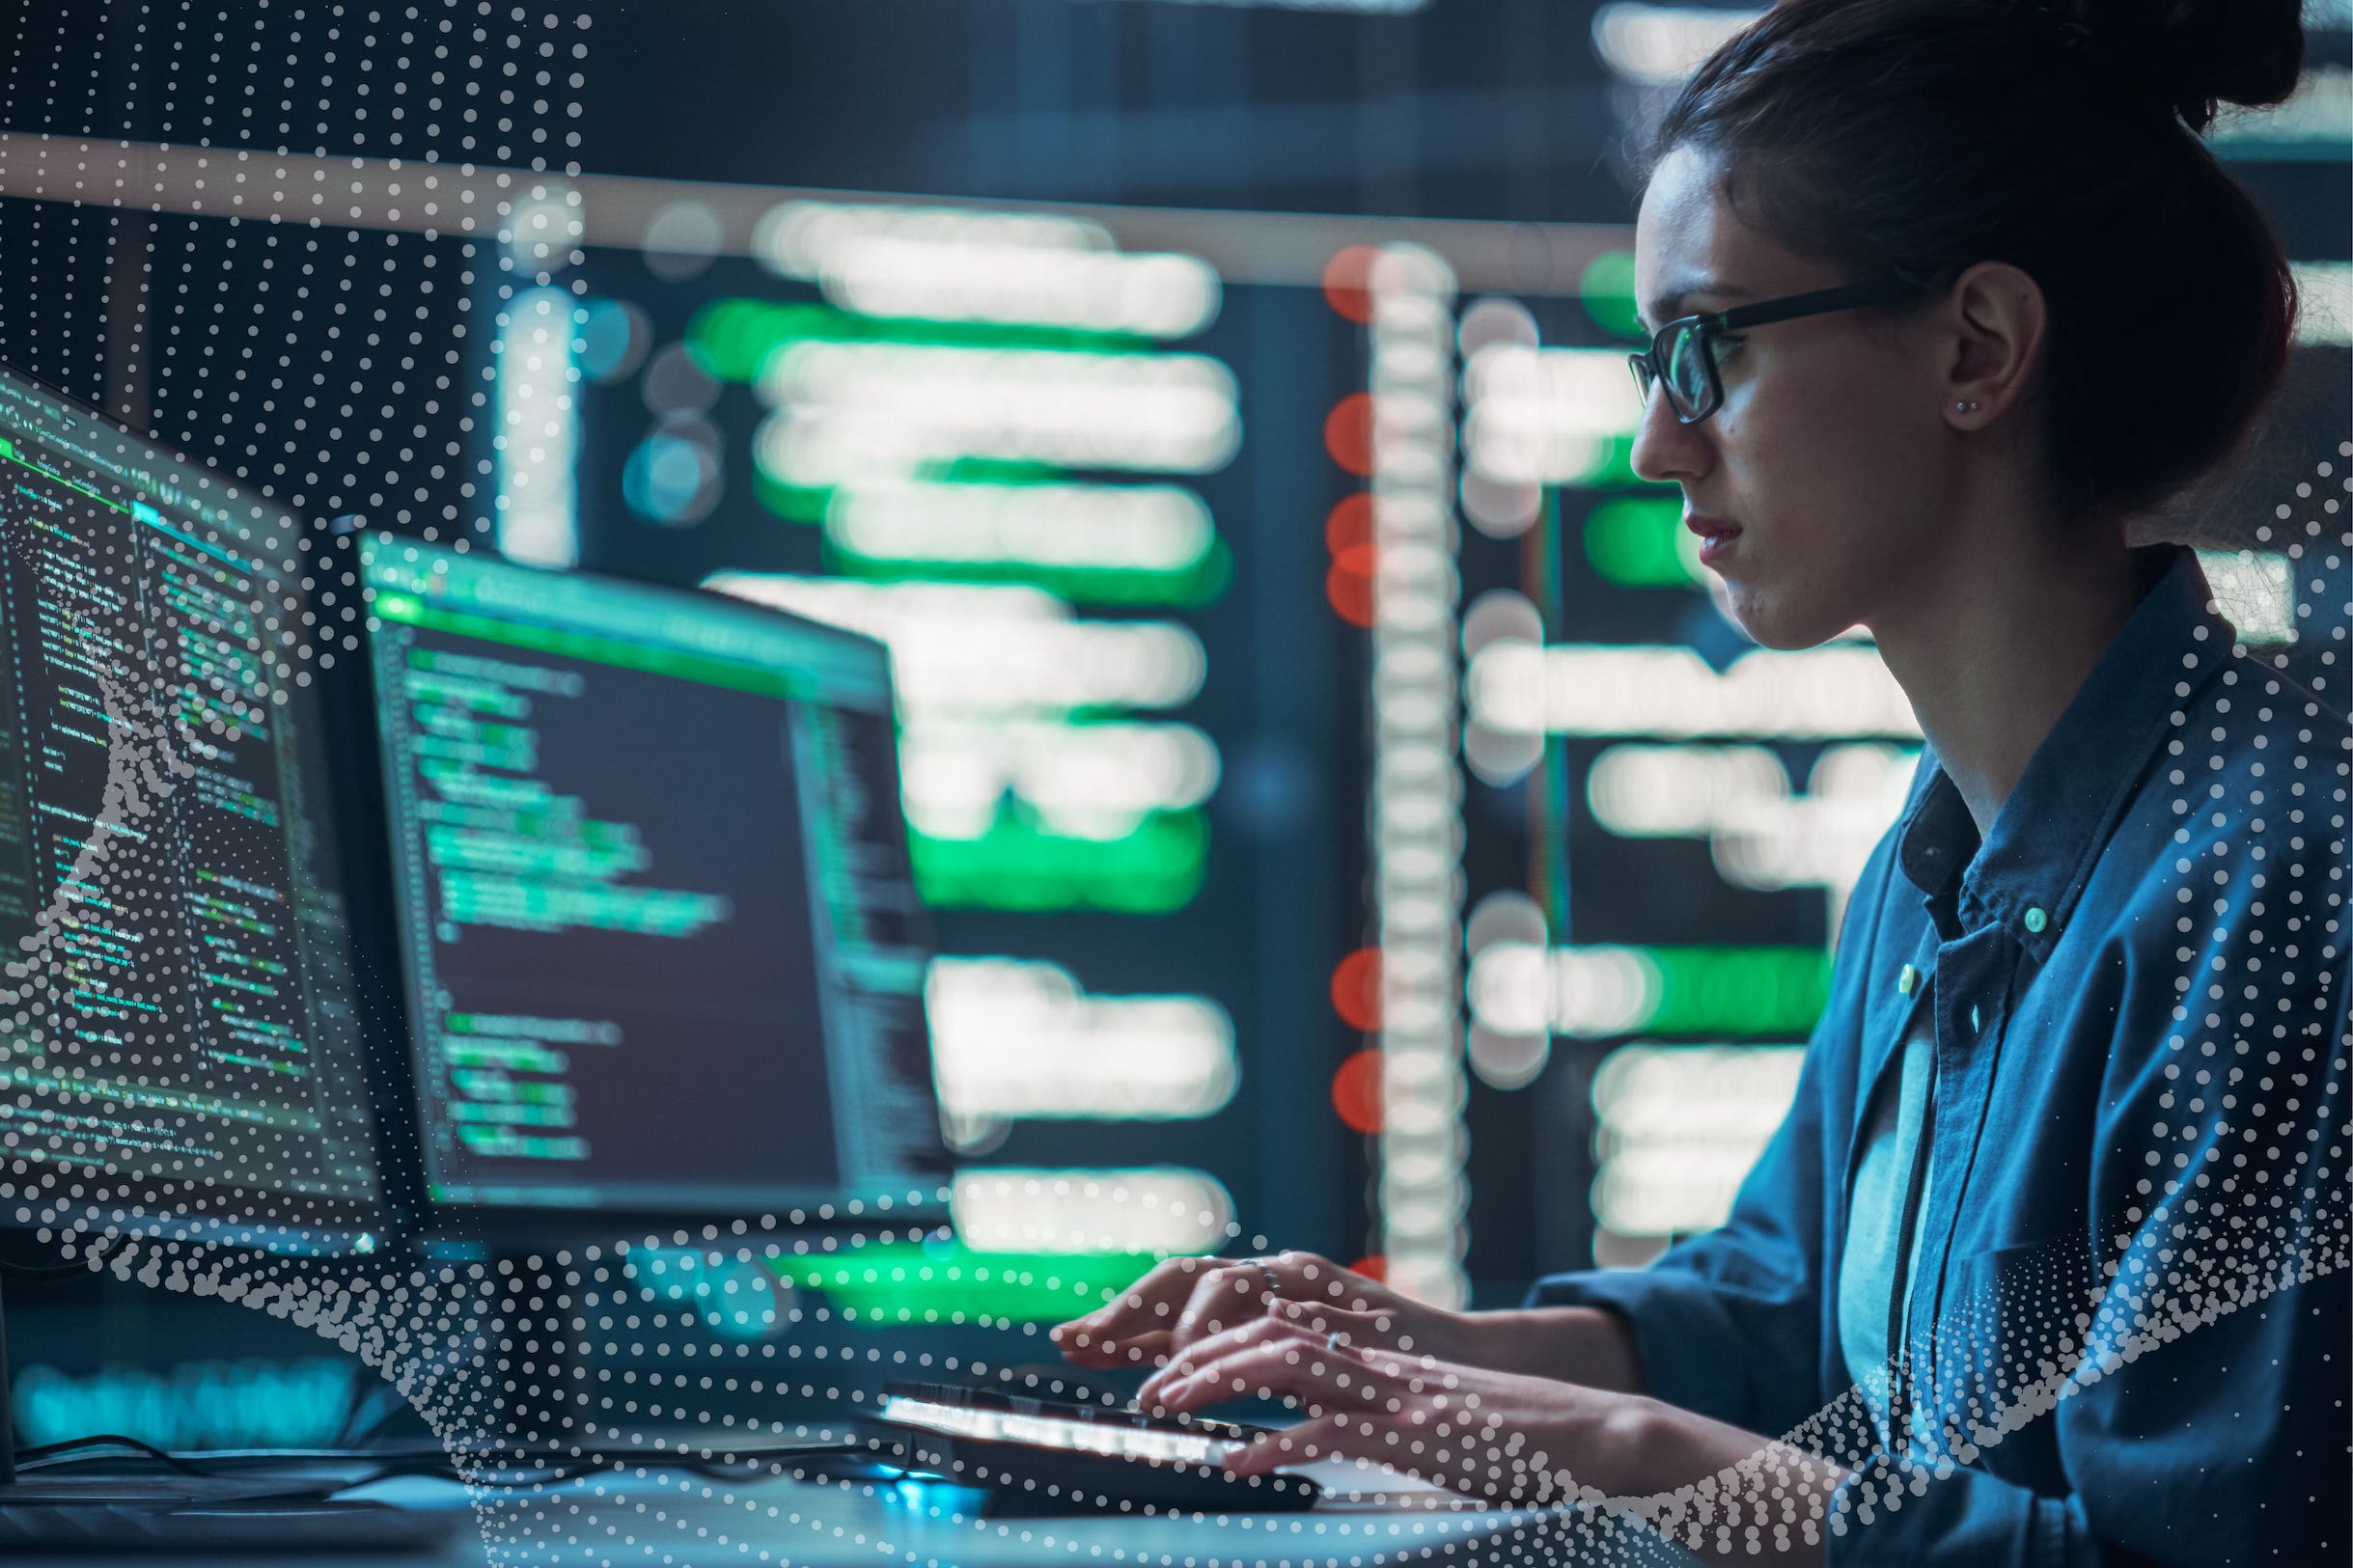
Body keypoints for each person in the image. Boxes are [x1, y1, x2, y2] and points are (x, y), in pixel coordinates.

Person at [1049, 0, 2350, 1560]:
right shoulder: (1943, 856)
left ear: (1976, 349)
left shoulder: (2286, 876)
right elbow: (1782, 1308)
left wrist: (1619, 1447)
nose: (1660, 444)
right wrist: (1413, 1353)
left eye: (1707, 347)